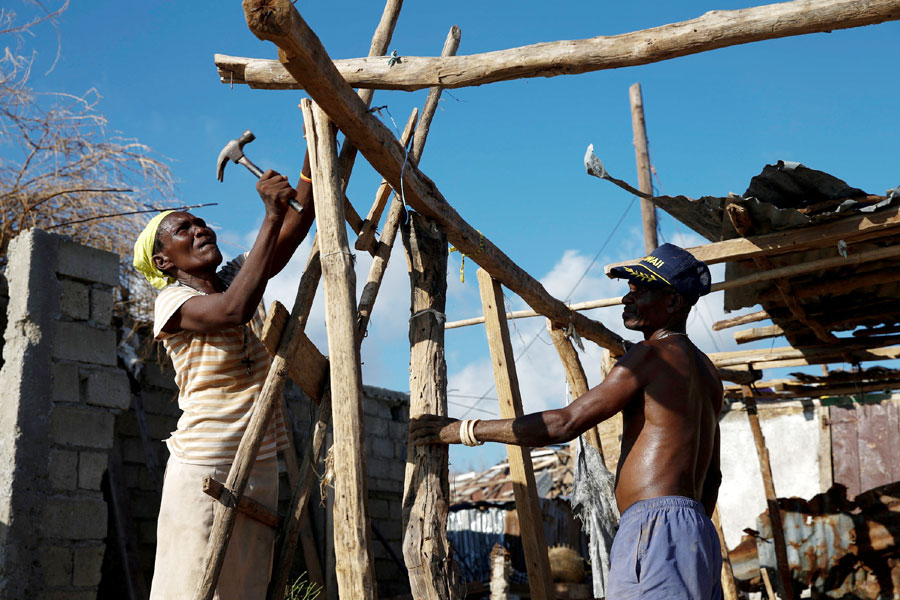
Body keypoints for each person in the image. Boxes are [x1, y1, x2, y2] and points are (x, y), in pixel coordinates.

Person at [410, 243, 724, 600]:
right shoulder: (709, 373)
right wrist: (685, 532)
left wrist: (463, 430)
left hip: (655, 528)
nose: (626, 299)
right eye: (629, 290)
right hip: (698, 531)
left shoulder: (651, 354)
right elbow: (712, 477)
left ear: (673, 303)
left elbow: (565, 423)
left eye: (641, 291)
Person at [132, 155, 315, 600]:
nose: (200, 229)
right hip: (205, 467)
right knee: (194, 587)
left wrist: (314, 143)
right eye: (184, 229)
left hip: (260, 464)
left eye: (200, 222)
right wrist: (271, 214)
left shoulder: (235, 276)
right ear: (164, 260)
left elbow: (301, 219)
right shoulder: (172, 303)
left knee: (244, 590)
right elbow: (234, 310)